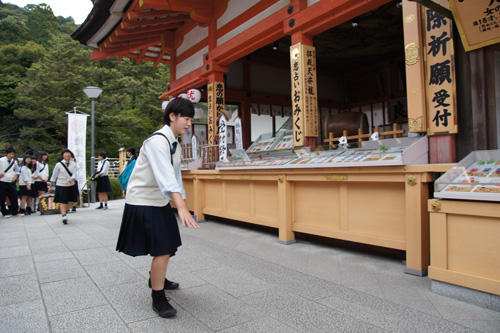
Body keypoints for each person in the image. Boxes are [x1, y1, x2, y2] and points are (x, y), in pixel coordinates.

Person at [116, 97, 199, 318]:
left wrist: (183, 202)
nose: (189, 124)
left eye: (191, 119)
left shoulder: (174, 141)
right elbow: (165, 178)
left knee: (168, 246)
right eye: (186, 118)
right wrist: (180, 207)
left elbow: (176, 177)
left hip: (159, 200)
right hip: (143, 201)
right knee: (162, 249)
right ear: (172, 116)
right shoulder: (157, 141)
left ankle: (157, 276)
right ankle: (158, 297)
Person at [48, 149, 78, 224]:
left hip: (70, 185)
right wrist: (50, 186)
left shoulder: (74, 164)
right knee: (62, 200)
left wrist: (72, 179)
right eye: (66, 153)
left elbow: (75, 174)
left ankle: (66, 212)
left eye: (69, 153)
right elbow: (54, 176)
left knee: (68, 200)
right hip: (61, 184)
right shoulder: (58, 165)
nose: (68, 155)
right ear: (63, 155)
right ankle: (63, 215)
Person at [0, 147, 21, 218]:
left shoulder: (14, 162)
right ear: (6, 154)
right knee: (2, 198)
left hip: (11, 181)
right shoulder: (1, 160)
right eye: (10, 154)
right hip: (2, 181)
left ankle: (15, 211)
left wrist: (15, 177)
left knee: (14, 196)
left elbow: (17, 171)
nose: (11, 155)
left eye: (13, 154)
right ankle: (4, 212)